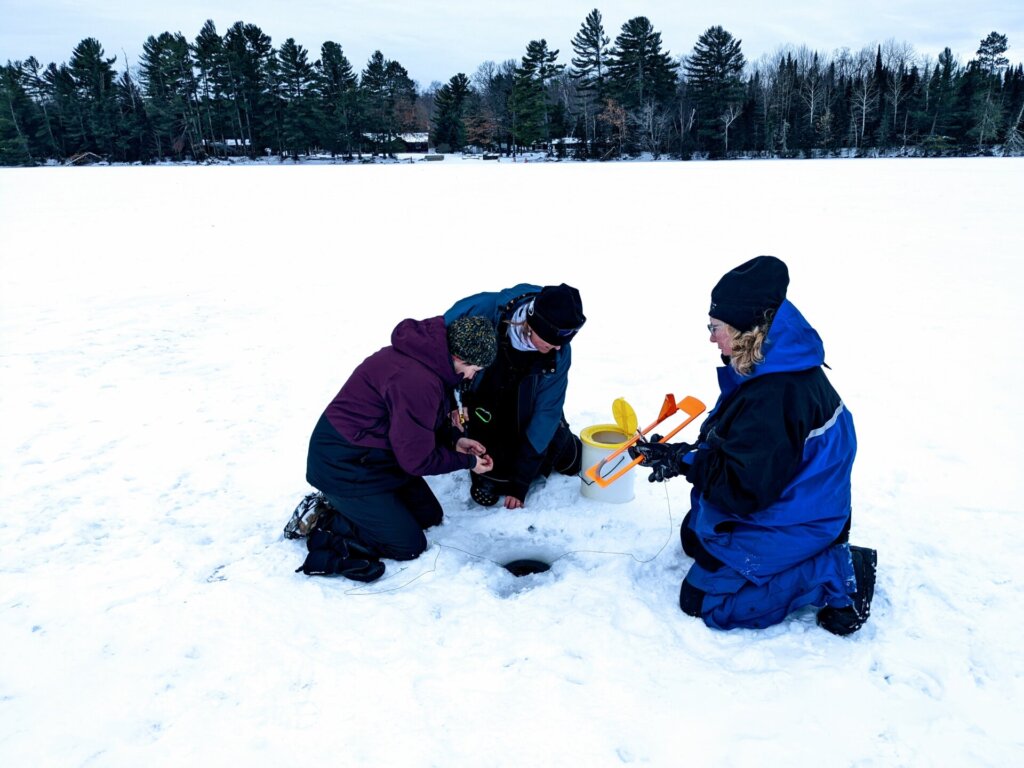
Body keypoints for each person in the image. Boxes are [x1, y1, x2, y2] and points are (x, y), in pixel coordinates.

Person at [630, 256, 877, 636]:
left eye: (716, 328)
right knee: (695, 539)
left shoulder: (775, 395)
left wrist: (686, 462)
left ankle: (837, 570)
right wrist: (682, 456)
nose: (711, 337)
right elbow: (744, 450)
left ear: (746, 329)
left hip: (799, 517)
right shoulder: (771, 361)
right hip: (790, 496)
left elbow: (743, 490)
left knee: (704, 601)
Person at [291, 315, 497, 581]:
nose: (472, 376)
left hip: (378, 457)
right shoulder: (417, 381)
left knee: (429, 517)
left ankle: (366, 511)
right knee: (408, 546)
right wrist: (467, 463)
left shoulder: (430, 364)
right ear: (460, 357)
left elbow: (421, 423)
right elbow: (417, 461)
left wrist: (455, 440)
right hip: (344, 466)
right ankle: (324, 520)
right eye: (475, 369)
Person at [444, 283, 586, 509]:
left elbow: (547, 411)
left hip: (526, 403)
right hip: (481, 399)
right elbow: (436, 352)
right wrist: (451, 404)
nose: (558, 349)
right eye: (550, 343)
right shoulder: (482, 309)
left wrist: (521, 482)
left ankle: (563, 442)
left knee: (570, 460)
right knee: (494, 479)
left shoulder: (558, 352)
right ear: (532, 325)